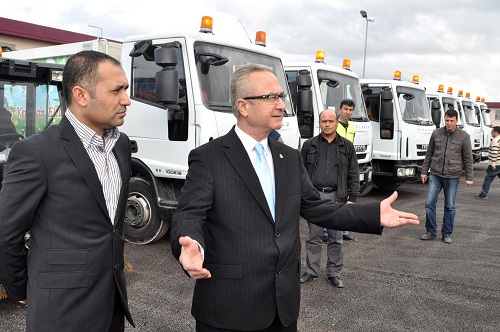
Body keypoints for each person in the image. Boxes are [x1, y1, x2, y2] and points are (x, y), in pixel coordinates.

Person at [170, 63, 419, 332]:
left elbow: (316, 207)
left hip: (282, 309)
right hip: (228, 309)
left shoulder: (288, 157)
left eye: (282, 97)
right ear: (243, 106)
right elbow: (189, 214)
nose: (281, 105)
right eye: (270, 98)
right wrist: (190, 243)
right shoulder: (209, 157)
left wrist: (372, 214)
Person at [0, 50, 135, 332]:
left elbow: (111, 228)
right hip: (61, 312)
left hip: (112, 306)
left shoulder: (121, 145)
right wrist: (22, 289)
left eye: (126, 89)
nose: (127, 99)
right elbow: (5, 233)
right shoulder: (37, 153)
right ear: (81, 95)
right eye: (117, 90)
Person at [299, 108, 359, 289]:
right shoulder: (309, 145)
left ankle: (334, 273)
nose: (327, 124)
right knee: (314, 236)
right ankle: (311, 270)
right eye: (324, 121)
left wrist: (352, 198)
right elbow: (300, 172)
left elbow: (353, 174)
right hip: (314, 197)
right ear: (319, 123)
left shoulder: (347, 146)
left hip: (337, 197)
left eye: (330, 121)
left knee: (335, 237)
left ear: (336, 123)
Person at [420, 109, 473, 244]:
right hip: (435, 175)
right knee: (429, 204)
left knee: (450, 206)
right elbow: (429, 154)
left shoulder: (464, 137)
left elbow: (468, 158)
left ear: (457, 121)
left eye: (452, 121)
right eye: (447, 120)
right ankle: (430, 231)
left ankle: (446, 234)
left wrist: (469, 176)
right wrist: (424, 171)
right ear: (445, 119)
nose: (449, 123)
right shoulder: (436, 133)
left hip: (452, 176)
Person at [336, 98, 358, 242]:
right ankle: (327, 231)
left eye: (350, 110)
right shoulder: (333, 125)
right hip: (334, 166)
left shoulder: (352, 128)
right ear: (340, 109)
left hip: (347, 167)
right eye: (345, 109)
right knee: (332, 199)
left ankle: (344, 231)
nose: (348, 112)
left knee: (346, 199)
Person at [475, 126, 500, 199]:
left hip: (495, 164)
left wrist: (493, 163)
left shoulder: (495, 141)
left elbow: (494, 153)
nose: (491, 133)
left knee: (488, 179)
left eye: (492, 131)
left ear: (496, 132)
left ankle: (483, 194)